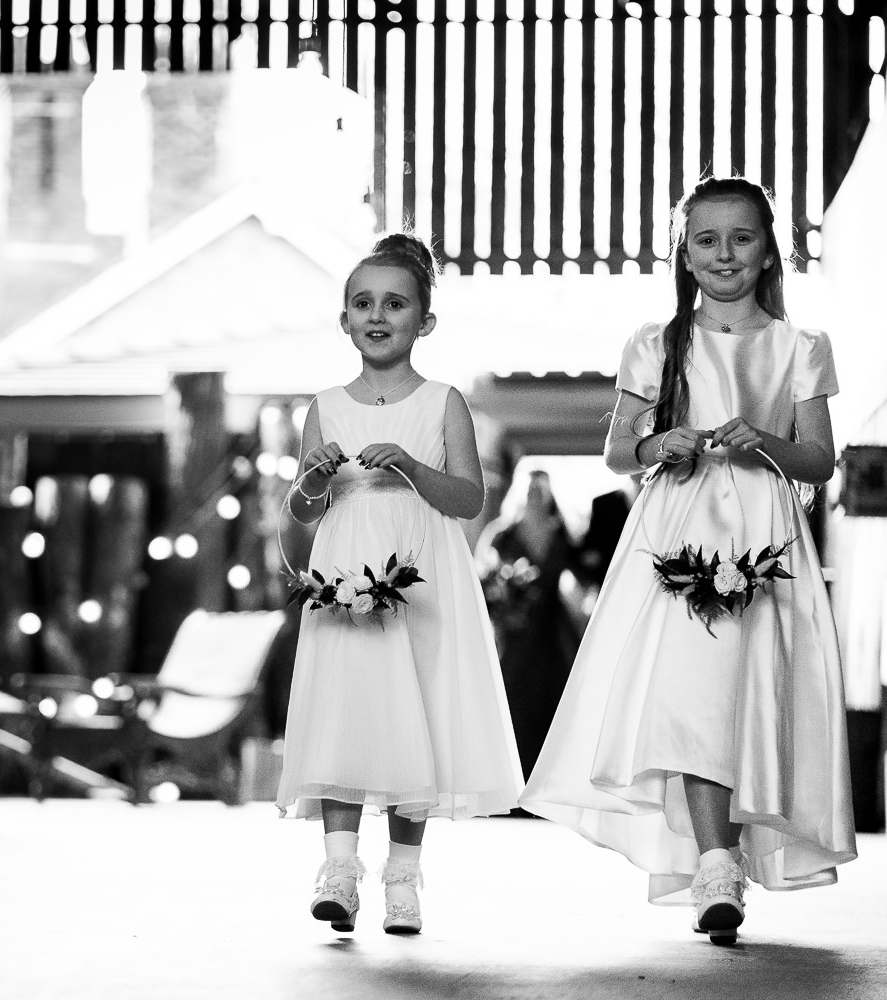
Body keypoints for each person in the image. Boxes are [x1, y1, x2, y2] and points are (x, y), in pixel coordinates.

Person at [520, 177, 857, 944]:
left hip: (764, 540)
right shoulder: (658, 343)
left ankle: (729, 852)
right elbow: (616, 451)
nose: (724, 254)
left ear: (770, 249)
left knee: (751, 692)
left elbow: (819, 461)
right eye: (706, 240)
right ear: (685, 252)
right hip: (678, 531)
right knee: (694, 694)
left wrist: (765, 441)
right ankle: (715, 865)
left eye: (742, 238)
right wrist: (656, 443)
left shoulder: (800, 347)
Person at [275, 234, 523, 936]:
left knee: (418, 709)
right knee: (344, 708)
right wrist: (312, 483)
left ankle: (405, 878)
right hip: (345, 564)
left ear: (425, 321)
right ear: (344, 320)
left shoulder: (443, 401)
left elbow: (468, 497)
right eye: (363, 303)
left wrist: (414, 466)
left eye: (395, 303)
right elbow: (299, 515)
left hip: (421, 571)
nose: (377, 315)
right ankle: (340, 872)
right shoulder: (323, 405)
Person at [475, 469, 580, 782]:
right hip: (514, 627)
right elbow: (483, 574)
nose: (535, 496)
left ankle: (546, 783)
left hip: (552, 628)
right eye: (530, 490)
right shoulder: (503, 532)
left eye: (541, 491)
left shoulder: (563, 532)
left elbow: (583, 573)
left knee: (553, 699)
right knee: (512, 699)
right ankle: (507, 781)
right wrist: (502, 594)